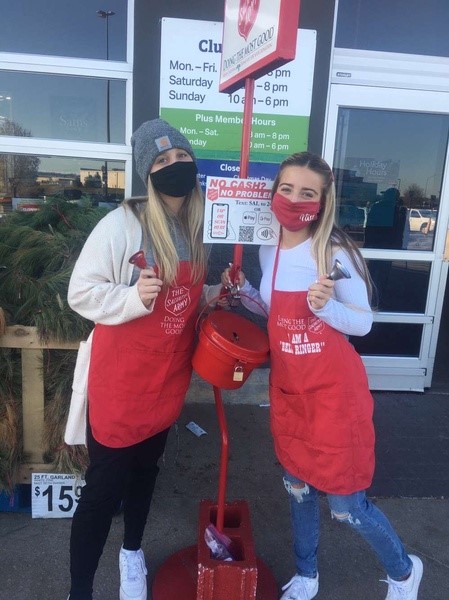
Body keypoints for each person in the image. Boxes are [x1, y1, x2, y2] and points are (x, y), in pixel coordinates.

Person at [222, 152, 423, 600]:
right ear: (274, 192)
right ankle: (307, 574)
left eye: (307, 193)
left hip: (334, 396)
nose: (294, 200)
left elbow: (363, 322)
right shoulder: (267, 247)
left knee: (347, 507)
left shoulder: (334, 252)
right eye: (287, 189)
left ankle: (405, 571)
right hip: (292, 392)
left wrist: (325, 307)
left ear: (322, 202)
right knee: (298, 491)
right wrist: (245, 292)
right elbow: (275, 314)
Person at [65, 119, 222, 600]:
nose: (173, 167)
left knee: (147, 471)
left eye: (179, 157)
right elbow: (81, 294)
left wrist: (218, 293)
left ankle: (132, 552)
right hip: (121, 383)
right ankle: (80, 591)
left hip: (166, 380)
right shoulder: (121, 225)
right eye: (160, 162)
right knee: (101, 493)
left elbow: (186, 301)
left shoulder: (198, 225)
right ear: (145, 174)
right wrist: (133, 297)